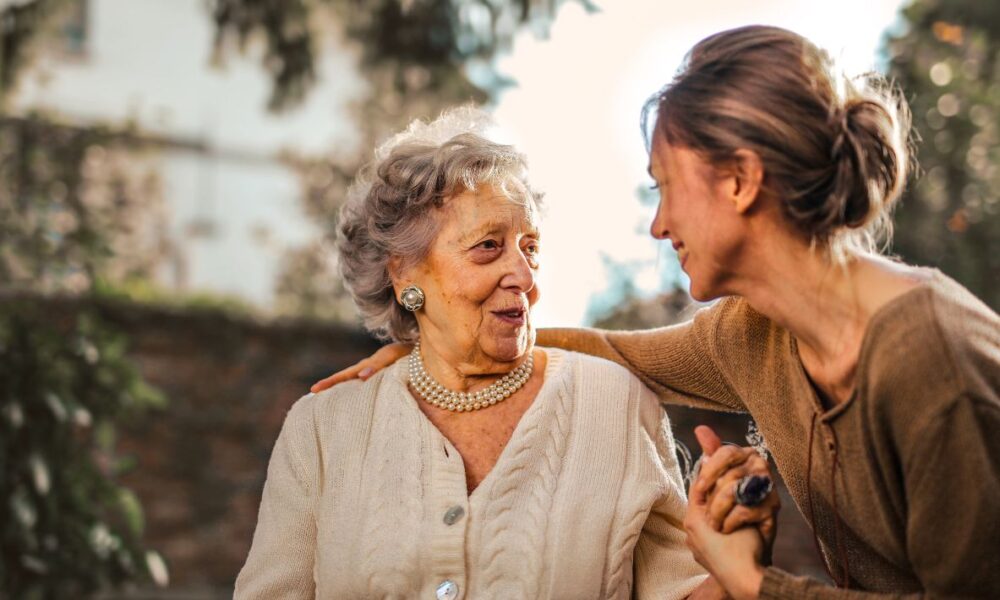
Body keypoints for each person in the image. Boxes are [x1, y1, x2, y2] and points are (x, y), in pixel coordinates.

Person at [312, 26, 1000, 599]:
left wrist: (756, 586)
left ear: (739, 180)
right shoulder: (755, 334)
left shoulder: (929, 360)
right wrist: (437, 344)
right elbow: (615, 351)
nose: (660, 224)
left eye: (666, 188)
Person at [235, 109, 717, 599]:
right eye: (488, 246)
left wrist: (735, 565)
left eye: (530, 248)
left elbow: (682, 590)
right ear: (404, 275)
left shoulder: (616, 405)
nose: (525, 277)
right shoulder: (322, 429)